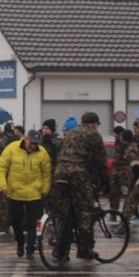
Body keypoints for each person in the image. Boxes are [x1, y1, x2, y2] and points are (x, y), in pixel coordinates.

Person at [50, 111, 109, 263]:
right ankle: (84, 249)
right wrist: (105, 180)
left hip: (60, 173)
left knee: (64, 211)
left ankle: (60, 250)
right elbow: (101, 160)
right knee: (84, 209)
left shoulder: (70, 134)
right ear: (94, 124)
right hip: (77, 173)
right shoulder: (93, 135)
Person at [0, 129, 51, 258]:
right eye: (32, 142)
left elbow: (46, 174)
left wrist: (44, 190)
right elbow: (1, 167)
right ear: (26, 139)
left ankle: (30, 247)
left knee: (32, 222)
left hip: (34, 193)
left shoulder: (42, 153)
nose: (33, 146)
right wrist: (2, 185)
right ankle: (20, 242)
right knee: (16, 221)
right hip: (15, 192)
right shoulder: (12, 148)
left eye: (36, 143)